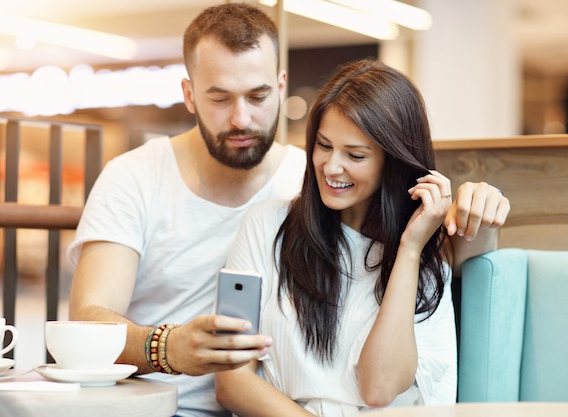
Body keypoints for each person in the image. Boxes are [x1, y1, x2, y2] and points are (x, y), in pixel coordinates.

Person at [214, 59, 511, 416]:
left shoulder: (426, 258)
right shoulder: (265, 225)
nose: (331, 167)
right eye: (323, 146)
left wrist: (410, 248)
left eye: (355, 155)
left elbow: (378, 388)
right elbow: (231, 379)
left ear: (393, 161)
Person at [67, 3, 306, 417]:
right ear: (190, 95)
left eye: (258, 96)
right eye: (220, 98)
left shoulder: (311, 182)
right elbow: (87, 320)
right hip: (148, 407)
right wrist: (168, 348)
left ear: (281, 86)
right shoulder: (134, 176)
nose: (241, 118)